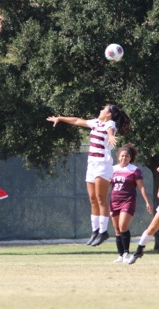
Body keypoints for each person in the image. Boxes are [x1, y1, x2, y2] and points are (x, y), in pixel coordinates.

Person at [47, 104, 131, 246]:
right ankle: (95, 231)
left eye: (103, 109)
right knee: (92, 199)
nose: (100, 110)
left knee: (100, 198)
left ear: (109, 114)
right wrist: (60, 118)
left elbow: (110, 131)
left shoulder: (110, 123)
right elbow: (77, 121)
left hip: (103, 165)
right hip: (92, 164)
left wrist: (111, 137)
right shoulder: (96, 123)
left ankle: (103, 232)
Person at [110, 143, 153, 263]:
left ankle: (126, 253)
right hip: (114, 201)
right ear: (118, 156)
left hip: (128, 201)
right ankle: (120, 254)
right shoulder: (112, 169)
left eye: (127, 156)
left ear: (131, 158)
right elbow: (106, 185)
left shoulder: (134, 170)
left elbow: (141, 187)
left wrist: (147, 202)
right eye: (122, 156)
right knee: (117, 229)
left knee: (123, 225)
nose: (124, 158)